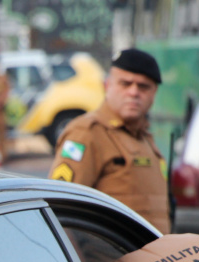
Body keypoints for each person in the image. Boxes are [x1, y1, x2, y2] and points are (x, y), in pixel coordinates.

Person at [49, 49, 170, 234]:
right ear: (107, 85)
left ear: (154, 92)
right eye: (125, 84)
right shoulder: (87, 133)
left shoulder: (145, 138)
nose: (134, 92)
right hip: (108, 261)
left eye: (143, 86)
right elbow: (61, 210)